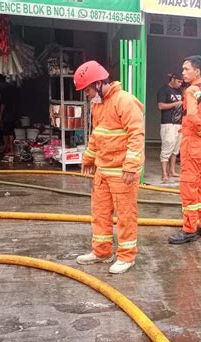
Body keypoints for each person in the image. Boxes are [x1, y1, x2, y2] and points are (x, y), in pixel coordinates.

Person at [74, 60, 145, 274]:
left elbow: (136, 134)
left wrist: (131, 166)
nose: (86, 94)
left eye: (87, 89)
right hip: (103, 170)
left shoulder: (124, 101)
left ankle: (126, 257)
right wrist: (89, 157)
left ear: (98, 83)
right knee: (100, 212)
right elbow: (97, 134)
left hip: (123, 172)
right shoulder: (98, 104)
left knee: (125, 215)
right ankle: (102, 252)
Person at [168, 55, 201, 244]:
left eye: (187, 69)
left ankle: (189, 229)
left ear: (197, 71)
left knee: (188, 186)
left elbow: (194, 117)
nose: (183, 72)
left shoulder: (191, 91)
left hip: (193, 143)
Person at [157, 73, 183, 182]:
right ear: (172, 79)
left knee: (175, 150)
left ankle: (172, 171)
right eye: (178, 81)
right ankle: (164, 173)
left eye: (182, 82)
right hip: (168, 123)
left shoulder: (180, 91)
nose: (180, 84)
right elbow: (161, 106)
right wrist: (177, 103)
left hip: (179, 123)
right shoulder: (164, 90)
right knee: (167, 147)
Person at [0, 80, 19, 159]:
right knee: (9, 131)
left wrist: (0, 115)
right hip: (14, 113)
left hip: (7, 114)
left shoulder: (5, 91)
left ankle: (11, 149)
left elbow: (3, 104)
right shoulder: (16, 90)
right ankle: (7, 147)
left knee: (7, 131)